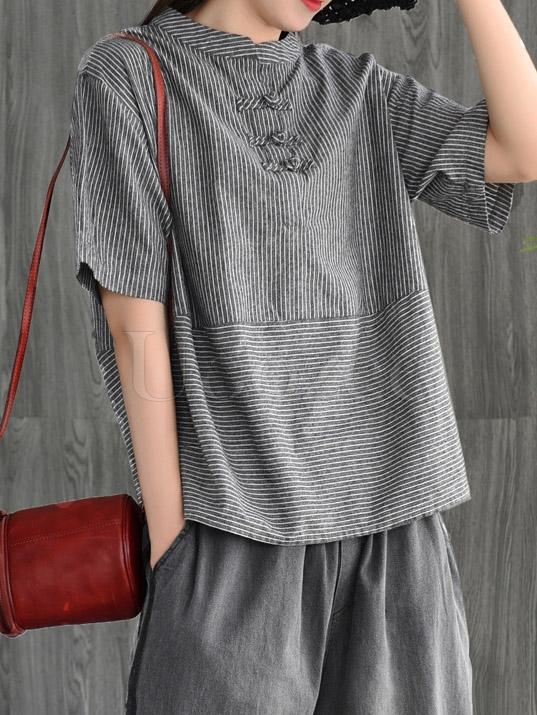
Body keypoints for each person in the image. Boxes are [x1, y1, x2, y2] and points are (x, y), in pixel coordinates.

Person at [68, 0, 534, 712]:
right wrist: (173, 542)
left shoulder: (359, 89)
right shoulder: (127, 73)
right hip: (232, 534)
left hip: (397, 535)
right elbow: (134, 322)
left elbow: (520, 150)